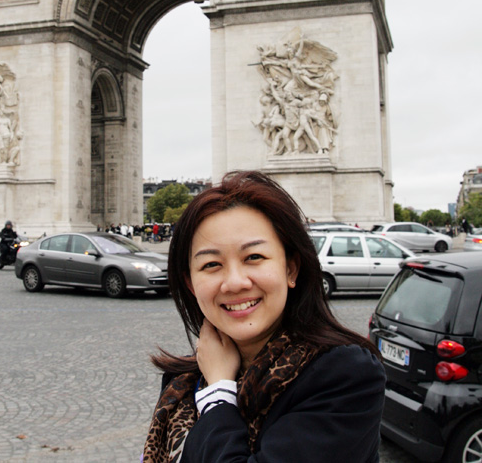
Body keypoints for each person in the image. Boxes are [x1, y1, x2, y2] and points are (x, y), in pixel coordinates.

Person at [143, 171, 385, 463]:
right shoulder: (182, 382)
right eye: (211, 264)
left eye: (254, 257)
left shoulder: (346, 376)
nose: (234, 282)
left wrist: (219, 393)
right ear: (191, 284)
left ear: (291, 269)